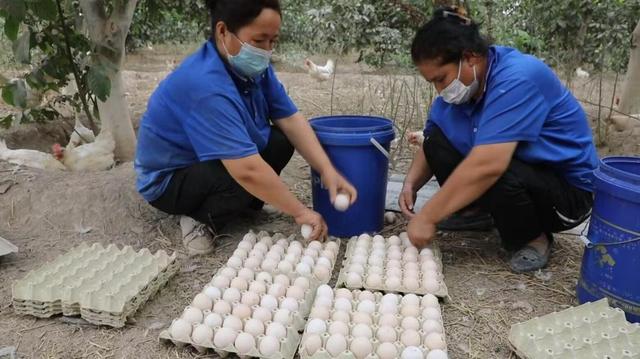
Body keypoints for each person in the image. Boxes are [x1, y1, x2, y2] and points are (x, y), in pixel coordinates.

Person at [134, 0, 356, 255]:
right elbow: (247, 169)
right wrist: (300, 212)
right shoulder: (204, 85)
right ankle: (198, 218)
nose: (266, 51)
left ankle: (244, 205)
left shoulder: (252, 69)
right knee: (240, 179)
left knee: (280, 140)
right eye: (259, 40)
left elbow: (291, 120)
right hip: (171, 179)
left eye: (273, 41)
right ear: (223, 31)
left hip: (212, 159)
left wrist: (327, 169)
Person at [399, 6, 597, 272]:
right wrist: (410, 184)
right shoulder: (462, 92)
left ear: (470, 57)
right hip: (522, 174)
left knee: (496, 168)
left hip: (566, 193)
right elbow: (434, 141)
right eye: (432, 82)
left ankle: (534, 238)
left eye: (441, 78)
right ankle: (475, 214)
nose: (440, 89)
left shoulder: (518, 78)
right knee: (436, 139)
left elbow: (488, 165)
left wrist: (428, 215)